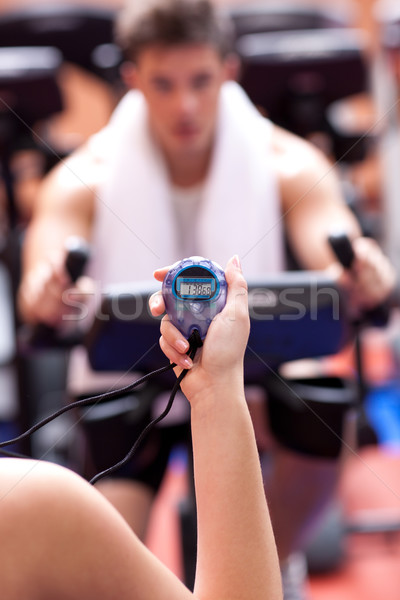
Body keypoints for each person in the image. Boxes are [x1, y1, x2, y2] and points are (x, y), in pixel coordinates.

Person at [17, 0, 396, 597]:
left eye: (200, 81)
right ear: (133, 78)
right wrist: (47, 291)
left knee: (323, 416)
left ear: (228, 72)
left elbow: (342, 255)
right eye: (163, 84)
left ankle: (279, 561)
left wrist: (365, 273)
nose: (185, 105)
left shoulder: (290, 163)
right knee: (102, 568)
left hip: (249, 375)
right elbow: (39, 285)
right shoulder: (82, 174)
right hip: (131, 379)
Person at [1, 257, 283, 600]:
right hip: (125, 408)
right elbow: (45, 249)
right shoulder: (35, 506)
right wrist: (216, 391)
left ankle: (288, 555)